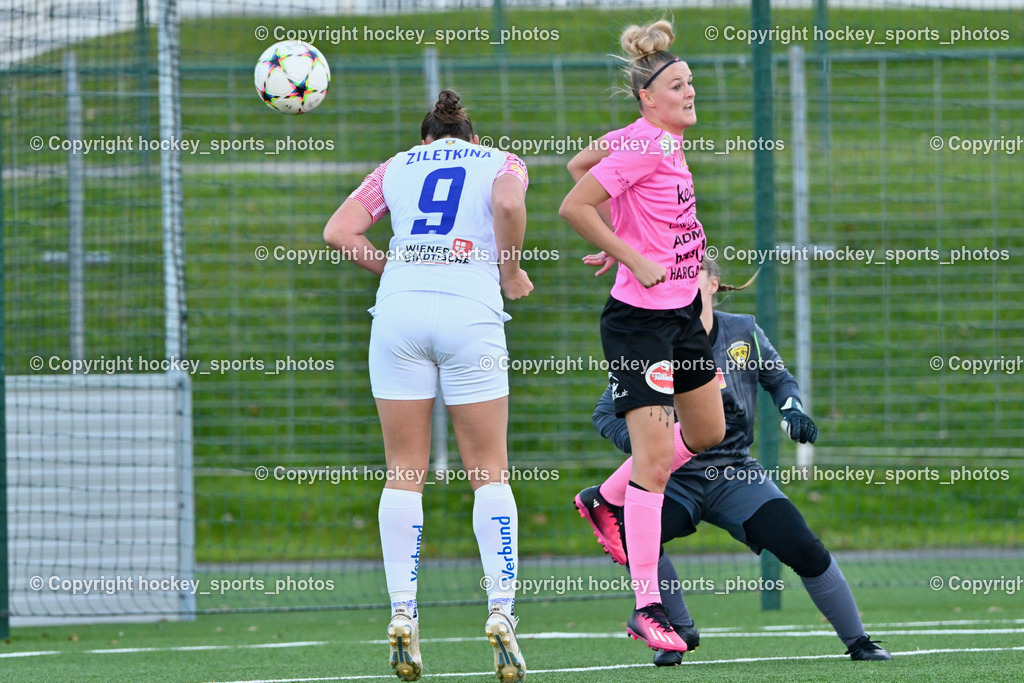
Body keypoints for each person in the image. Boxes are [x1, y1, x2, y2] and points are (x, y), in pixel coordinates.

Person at [583, 256, 893, 666]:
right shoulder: (652, 342)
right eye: (673, 276)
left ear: (712, 284)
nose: (681, 282)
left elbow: (779, 378)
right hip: (674, 478)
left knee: (805, 548)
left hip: (735, 474)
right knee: (630, 534)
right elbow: (606, 412)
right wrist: (650, 447)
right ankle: (675, 630)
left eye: (690, 274)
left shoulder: (742, 331)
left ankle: (859, 641)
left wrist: (792, 410)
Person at [323, 90, 532, 682]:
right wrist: (510, 270)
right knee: (489, 469)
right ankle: (500, 609)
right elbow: (508, 204)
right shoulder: (502, 160)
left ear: (425, 141)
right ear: (472, 138)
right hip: (470, 310)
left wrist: (396, 268)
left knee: (403, 470)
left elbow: (339, 232)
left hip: (399, 313)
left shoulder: (395, 166)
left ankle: (402, 612)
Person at [558, 19, 725, 653]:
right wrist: (627, 251)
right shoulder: (646, 146)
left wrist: (618, 231)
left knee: (707, 433)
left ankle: (605, 499)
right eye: (677, 86)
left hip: (680, 313)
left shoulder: (656, 141)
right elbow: (574, 203)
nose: (690, 92)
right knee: (654, 467)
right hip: (640, 325)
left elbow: (579, 165)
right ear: (648, 98)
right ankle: (648, 608)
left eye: (690, 82)